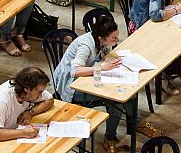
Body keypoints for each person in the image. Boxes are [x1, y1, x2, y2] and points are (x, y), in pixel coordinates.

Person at [53, 15, 160, 153]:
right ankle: (112, 136)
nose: (117, 41)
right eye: (113, 38)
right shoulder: (85, 46)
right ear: (101, 38)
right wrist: (101, 67)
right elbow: (75, 71)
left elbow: (103, 58)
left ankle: (136, 122)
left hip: (90, 78)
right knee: (115, 100)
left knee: (127, 93)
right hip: (71, 86)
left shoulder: (103, 42)